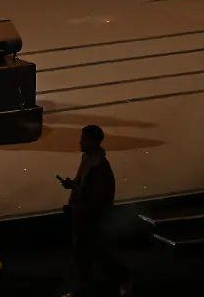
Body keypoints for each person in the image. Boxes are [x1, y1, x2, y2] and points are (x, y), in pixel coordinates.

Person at [59, 125, 131, 297]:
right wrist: (72, 185)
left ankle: (112, 283)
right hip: (84, 216)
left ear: (92, 141)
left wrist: (76, 208)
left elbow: (97, 199)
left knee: (89, 255)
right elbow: (83, 184)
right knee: (88, 255)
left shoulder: (99, 167)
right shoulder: (89, 159)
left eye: (83, 139)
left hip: (89, 219)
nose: (80, 142)